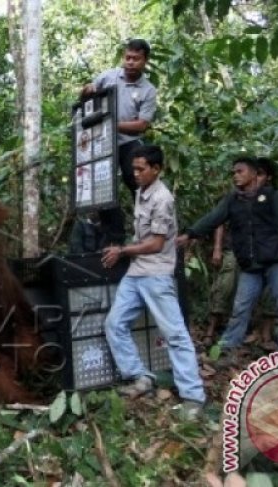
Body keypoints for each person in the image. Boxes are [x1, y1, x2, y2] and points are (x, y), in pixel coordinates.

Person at [102, 145, 206, 418]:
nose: (135, 173)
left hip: (156, 274)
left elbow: (157, 244)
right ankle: (140, 377)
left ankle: (193, 397)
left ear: (156, 169)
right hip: (136, 272)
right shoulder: (141, 192)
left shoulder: (163, 198)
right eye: (133, 168)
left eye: (141, 169)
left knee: (175, 334)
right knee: (114, 323)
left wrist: (122, 251)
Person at [178, 156, 278, 364]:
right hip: (250, 264)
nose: (235, 176)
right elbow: (213, 218)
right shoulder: (232, 200)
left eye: (240, 171)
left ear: (254, 174)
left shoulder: (272, 196)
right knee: (240, 307)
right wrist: (190, 234)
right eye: (234, 172)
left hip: (275, 260)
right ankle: (227, 350)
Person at [77, 38, 157, 245]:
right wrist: (86, 90)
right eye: (128, 57)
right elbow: (86, 97)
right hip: (101, 142)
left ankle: (148, 233)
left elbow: (141, 125)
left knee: (139, 183)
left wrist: (111, 124)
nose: (130, 62)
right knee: (101, 189)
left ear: (145, 61)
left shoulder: (148, 90)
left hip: (129, 143)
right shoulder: (108, 76)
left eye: (136, 59)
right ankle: (114, 238)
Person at [204, 158, 276, 349]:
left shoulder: (271, 198)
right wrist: (218, 248)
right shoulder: (235, 196)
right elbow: (218, 221)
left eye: (261, 175)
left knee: (271, 288)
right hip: (236, 249)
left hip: (264, 253)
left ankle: (265, 334)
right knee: (226, 283)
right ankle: (212, 330)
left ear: (267, 178)